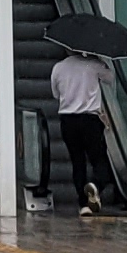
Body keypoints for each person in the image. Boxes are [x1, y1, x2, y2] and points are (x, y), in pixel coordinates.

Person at [48, 43, 116, 211]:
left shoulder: (58, 68)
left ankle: (83, 204)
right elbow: (110, 79)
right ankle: (95, 185)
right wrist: (98, 60)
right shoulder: (93, 65)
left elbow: (55, 94)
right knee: (99, 160)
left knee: (77, 162)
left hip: (67, 120)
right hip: (90, 120)